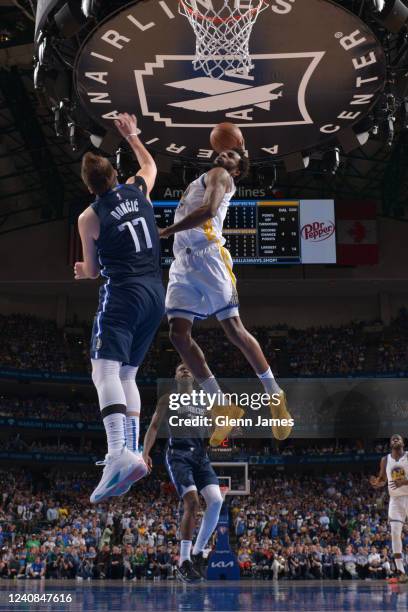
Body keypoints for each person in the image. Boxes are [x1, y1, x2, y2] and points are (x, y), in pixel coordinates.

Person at [159, 148, 292, 445]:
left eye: (231, 154)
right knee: (178, 335)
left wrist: (167, 229)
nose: (223, 154)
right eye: (222, 151)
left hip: (209, 258)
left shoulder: (221, 176)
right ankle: (221, 405)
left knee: (233, 329)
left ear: (237, 168)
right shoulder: (206, 176)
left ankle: (275, 395)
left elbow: (207, 211)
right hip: (182, 263)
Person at [76, 113, 165, 503]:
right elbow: (150, 164)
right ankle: (131, 453)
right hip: (154, 294)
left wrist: (83, 271)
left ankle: (116, 453)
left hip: (124, 293)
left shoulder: (89, 217)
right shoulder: (137, 190)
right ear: (115, 174)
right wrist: (132, 136)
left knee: (104, 370)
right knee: (127, 373)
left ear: (89, 186)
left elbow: (94, 271)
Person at [143, 363, 223, 582]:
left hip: (200, 455)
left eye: (189, 367)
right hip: (178, 455)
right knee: (193, 503)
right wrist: (145, 453)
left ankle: (197, 553)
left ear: (195, 377)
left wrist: (227, 427)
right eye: (180, 368)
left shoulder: (203, 401)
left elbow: (215, 428)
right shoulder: (168, 399)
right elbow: (153, 427)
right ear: (176, 376)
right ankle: (183, 561)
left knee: (216, 501)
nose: (186, 369)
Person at [370, 433, 408, 583]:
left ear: (403, 442)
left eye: (398, 438)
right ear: (390, 444)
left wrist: (403, 482)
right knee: (395, 533)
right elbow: (383, 479)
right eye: (393, 439)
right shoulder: (385, 460)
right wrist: (377, 483)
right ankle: (401, 571)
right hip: (395, 500)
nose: (395, 439)